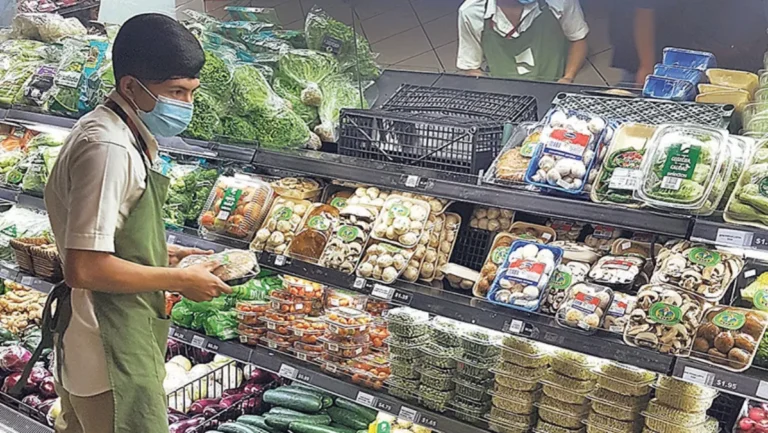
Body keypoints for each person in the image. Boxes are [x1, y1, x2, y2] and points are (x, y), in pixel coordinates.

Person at [18, 13, 232, 433]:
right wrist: (180, 280)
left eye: (192, 92)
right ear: (131, 86)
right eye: (176, 92)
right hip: (107, 352)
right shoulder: (108, 148)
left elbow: (106, 238)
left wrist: (161, 254)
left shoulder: (115, 128)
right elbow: (84, 267)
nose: (186, 105)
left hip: (111, 339)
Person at [456, 0, 589, 83]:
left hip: (553, 83)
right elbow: (471, 66)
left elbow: (578, 39)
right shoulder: (471, 12)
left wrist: (567, 78)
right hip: (503, 90)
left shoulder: (558, 2)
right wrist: (490, 91)